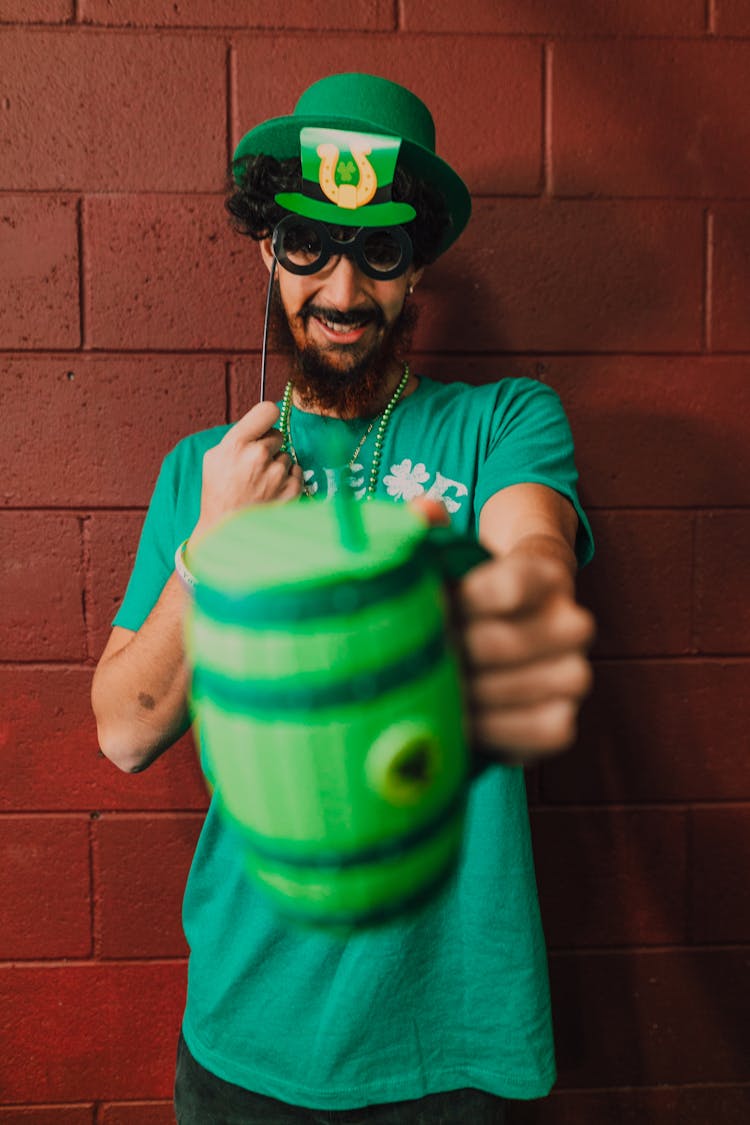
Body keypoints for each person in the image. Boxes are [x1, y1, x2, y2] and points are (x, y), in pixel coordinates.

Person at [92, 73, 595, 1125]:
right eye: (309, 246)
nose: (341, 289)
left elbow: (533, 563)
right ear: (266, 248)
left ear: (417, 269)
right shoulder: (205, 471)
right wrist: (210, 550)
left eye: (379, 253)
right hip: (247, 1034)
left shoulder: (503, 422)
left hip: (452, 1036)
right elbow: (126, 734)